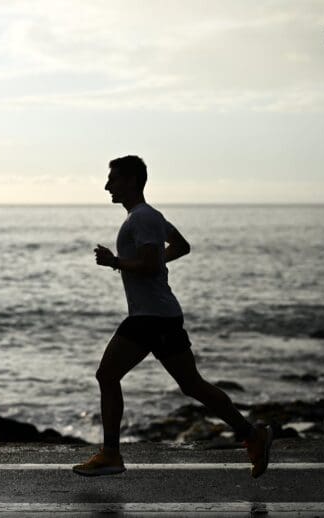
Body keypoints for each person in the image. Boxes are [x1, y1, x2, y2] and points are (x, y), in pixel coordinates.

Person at [72, 155, 273, 478]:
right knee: (192, 385)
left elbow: (150, 264)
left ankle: (111, 454)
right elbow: (179, 246)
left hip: (150, 317)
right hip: (161, 316)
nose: (107, 185)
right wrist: (149, 262)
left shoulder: (141, 218)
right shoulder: (148, 217)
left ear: (133, 181)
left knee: (107, 376)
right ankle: (253, 435)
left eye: (114, 179)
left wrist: (115, 262)